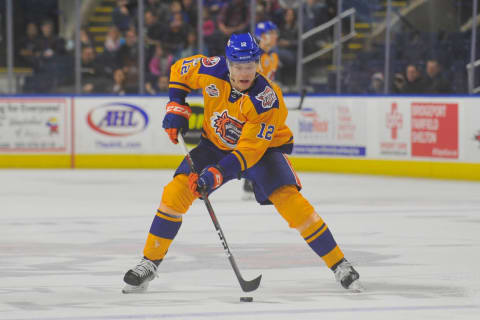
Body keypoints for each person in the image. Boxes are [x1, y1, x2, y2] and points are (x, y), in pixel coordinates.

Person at [122, 33, 362, 294]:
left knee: (291, 202)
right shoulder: (212, 70)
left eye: (250, 66)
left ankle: (339, 264)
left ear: (258, 64)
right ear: (228, 63)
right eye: (238, 66)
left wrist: (217, 174)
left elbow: (249, 151)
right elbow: (180, 70)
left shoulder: (267, 100)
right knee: (174, 194)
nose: (244, 72)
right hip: (214, 146)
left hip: (262, 152)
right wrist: (176, 105)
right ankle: (149, 262)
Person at [240, 20, 280, 200]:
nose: (275, 37)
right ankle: (251, 180)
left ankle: (252, 181)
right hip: (250, 106)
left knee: (264, 143)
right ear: (263, 36)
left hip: (263, 107)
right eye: (272, 33)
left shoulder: (274, 57)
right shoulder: (253, 57)